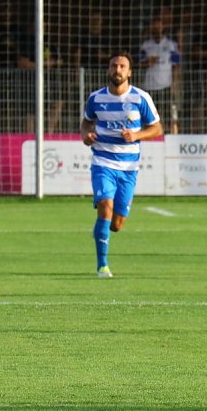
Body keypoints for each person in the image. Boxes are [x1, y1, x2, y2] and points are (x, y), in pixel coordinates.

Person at [80, 51, 164, 277]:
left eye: (122, 66)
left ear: (130, 72)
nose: (117, 70)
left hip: (128, 168)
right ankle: (102, 266)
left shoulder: (140, 98)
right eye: (114, 66)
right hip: (102, 161)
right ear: (108, 70)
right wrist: (86, 136)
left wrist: (136, 136)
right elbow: (86, 123)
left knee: (116, 224)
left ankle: (101, 231)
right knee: (104, 207)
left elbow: (157, 128)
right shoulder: (96, 98)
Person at [138, 17, 181, 134]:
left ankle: (174, 139)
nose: (157, 28)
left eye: (159, 26)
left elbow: (176, 64)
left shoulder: (171, 45)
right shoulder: (146, 45)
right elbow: (140, 64)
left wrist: (175, 84)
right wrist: (148, 62)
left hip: (166, 86)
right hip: (150, 87)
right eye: (154, 26)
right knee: (150, 118)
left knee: (171, 117)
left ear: (164, 27)